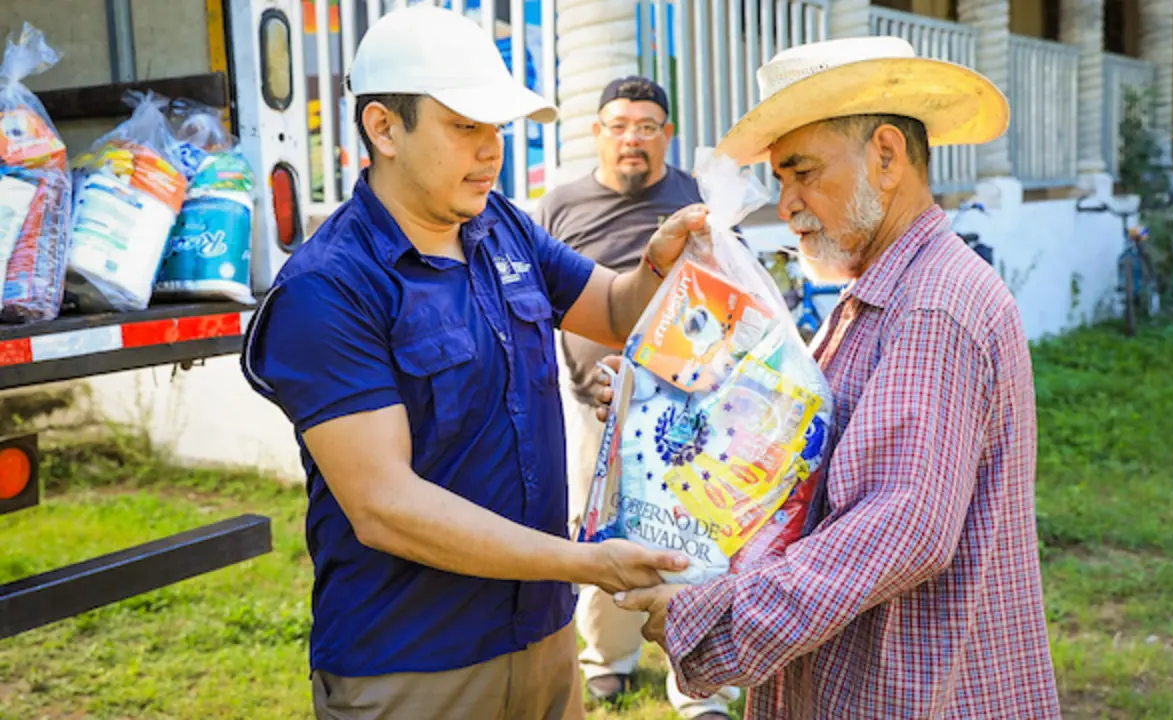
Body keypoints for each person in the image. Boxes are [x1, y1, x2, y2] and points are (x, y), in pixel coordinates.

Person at [239, 7, 707, 719]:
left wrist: (659, 263)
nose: (491, 151)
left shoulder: (502, 227)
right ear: (383, 128)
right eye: (465, 127)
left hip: (541, 638)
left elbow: (614, 309)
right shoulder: (328, 288)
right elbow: (385, 509)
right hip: (413, 665)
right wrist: (584, 563)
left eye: (496, 129)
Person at [608, 36, 1063, 717]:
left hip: (917, 692)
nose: (786, 205)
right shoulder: (873, 297)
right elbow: (804, 466)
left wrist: (718, 617)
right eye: (780, 179)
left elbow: (900, 525)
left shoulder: (933, 304)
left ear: (885, 156)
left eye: (803, 173)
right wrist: (663, 412)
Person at [532, 76, 739, 719]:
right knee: (597, 527)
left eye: (647, 127)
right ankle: (609, 661)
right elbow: (542, 304)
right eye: (618, 125)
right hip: (593, 404)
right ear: (596, 133)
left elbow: (729, 296)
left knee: (697, 529)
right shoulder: (558, 205)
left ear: (666, 136)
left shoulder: (698, 200)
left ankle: (701, 682)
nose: (632, 139)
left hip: (690, 407)